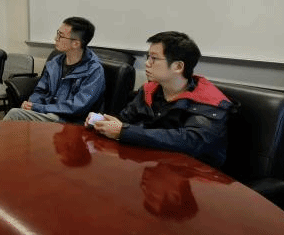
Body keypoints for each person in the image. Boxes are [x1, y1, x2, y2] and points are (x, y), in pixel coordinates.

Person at [88, 31, 233, 168]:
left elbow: (191, 141)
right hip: (151, 163)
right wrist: (103, 121)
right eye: (148, 57)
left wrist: (125, 131)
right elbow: (125, 120)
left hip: (195, 175)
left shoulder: (210, 101)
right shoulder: (150, 90)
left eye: (154, 58)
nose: (147, 63)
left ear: (178, 66)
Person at [4, 16, 105, 124]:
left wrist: (39, 108)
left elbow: (77, 107)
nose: (55, 38)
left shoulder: (94, 71)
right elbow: (40, 90)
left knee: (15, 114)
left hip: (71, 120)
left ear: (76, 43)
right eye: (58, 33)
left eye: (61, 36)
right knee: (20, 116)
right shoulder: (55, 62)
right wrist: (31, 104)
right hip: (49, 113)